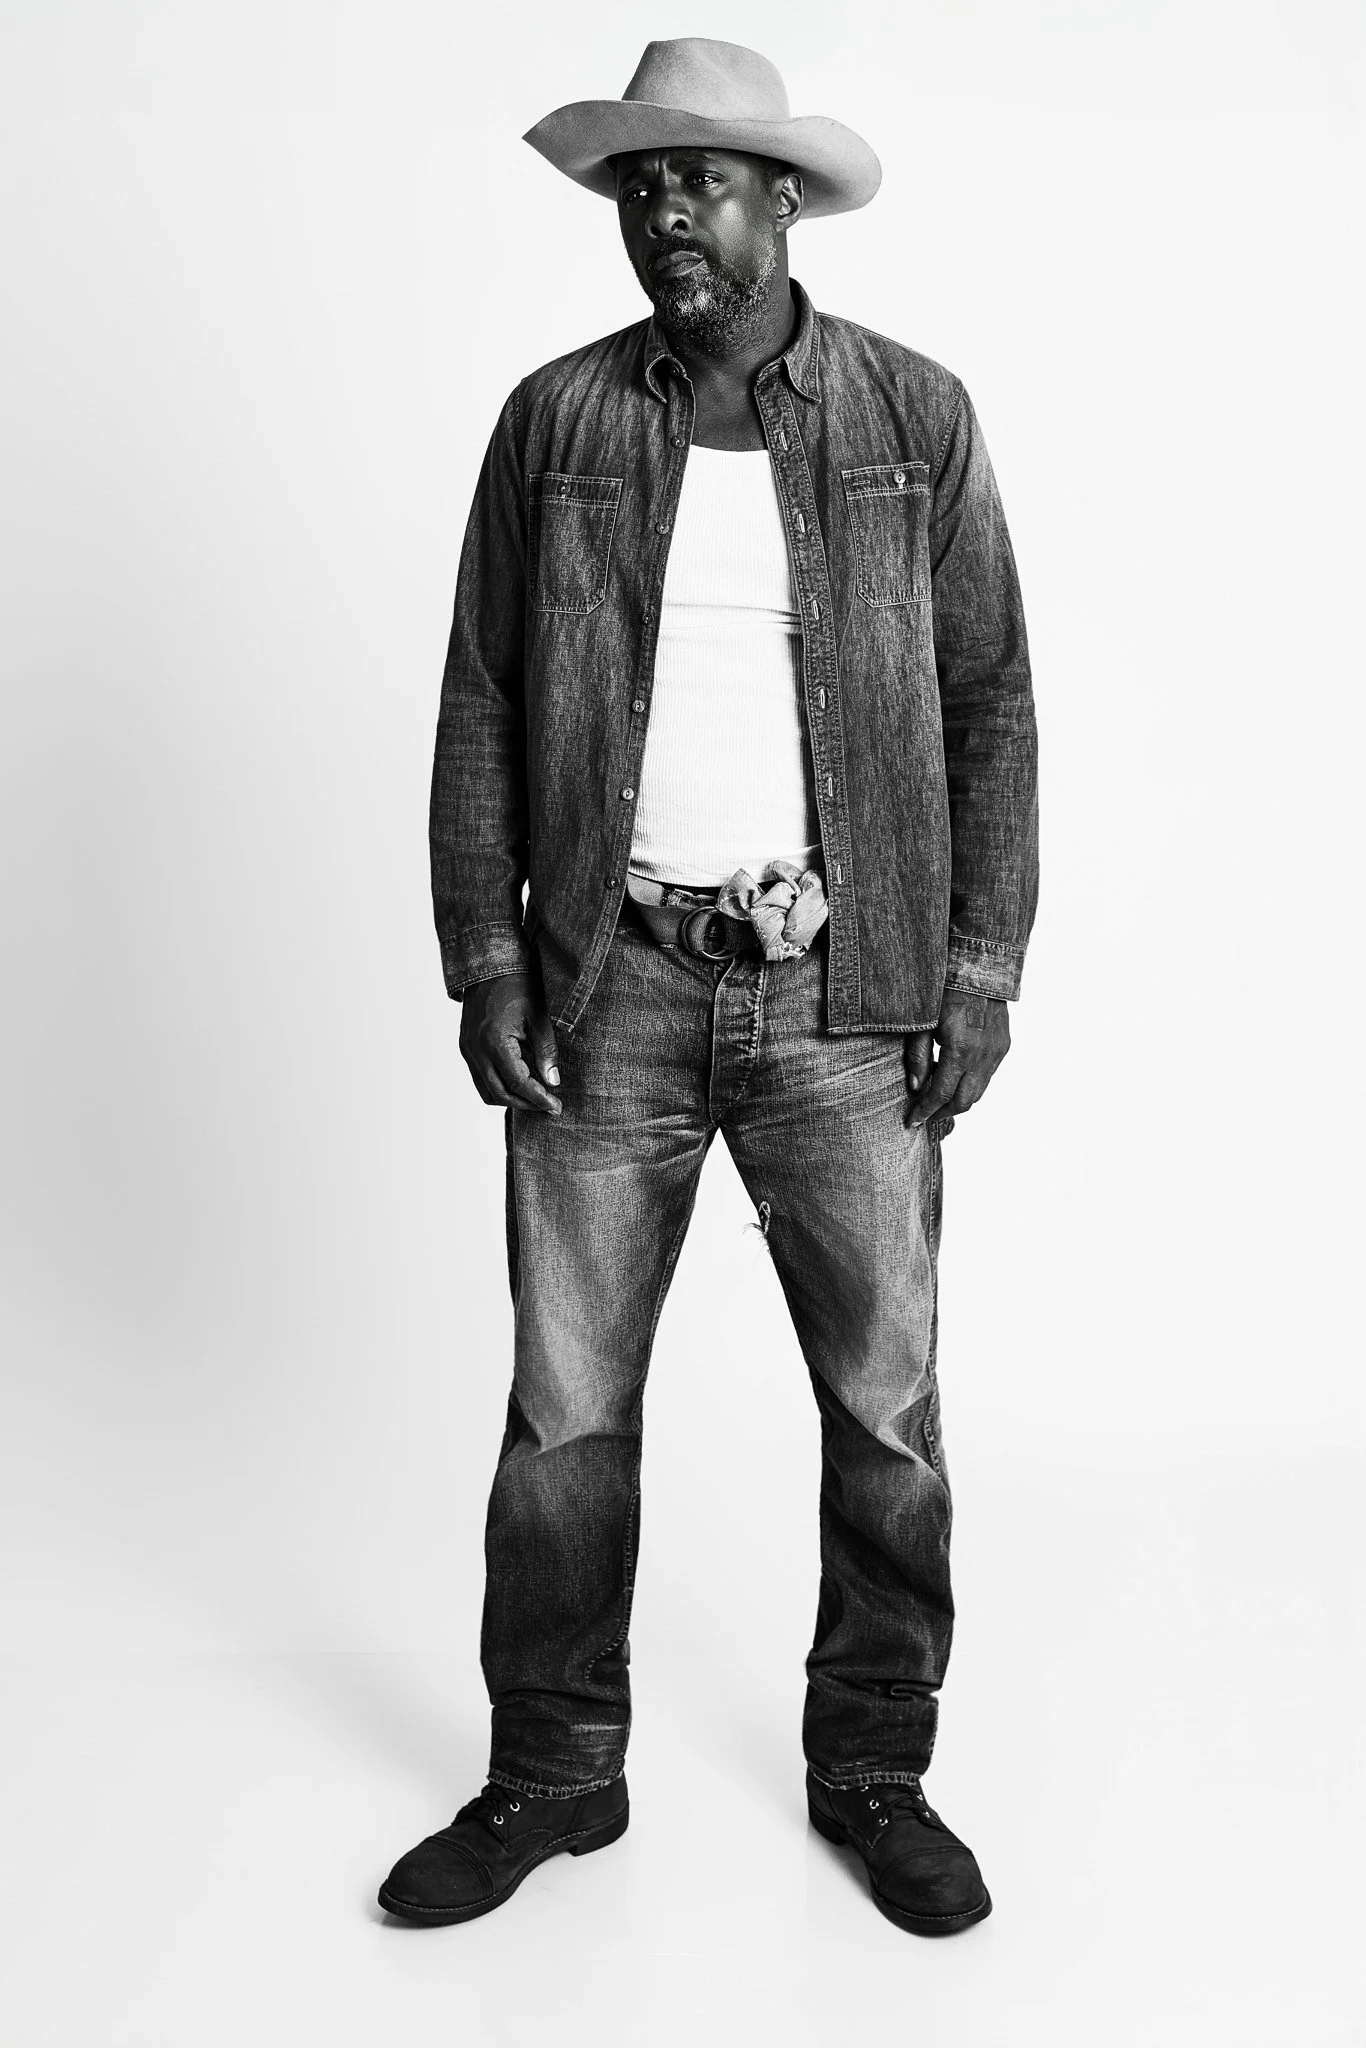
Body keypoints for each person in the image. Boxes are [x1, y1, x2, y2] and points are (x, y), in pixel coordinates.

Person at [378, 36, 1038, 1937]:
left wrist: (976, 966)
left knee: (885, 1412)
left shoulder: (913, 418)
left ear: (783, 204)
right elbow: (483, 700)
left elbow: (987, 697)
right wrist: (489, 952)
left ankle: (873, 1770)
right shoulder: (558, 421)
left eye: (700, 181)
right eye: (637, 185)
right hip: (610, 987)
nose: (663, 211)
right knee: (566, 1413)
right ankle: (555, 1777)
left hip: (854, 989)